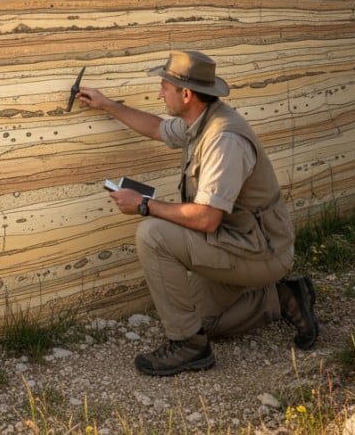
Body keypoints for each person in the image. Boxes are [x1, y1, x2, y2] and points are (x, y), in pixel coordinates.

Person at [76, 50, 318, 376]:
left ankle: (189, 347)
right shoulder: (199, 119)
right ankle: (284, 296)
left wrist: (144, 206)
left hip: (259, 252)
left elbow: (207, 219)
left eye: (164, 86)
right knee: (204, 321)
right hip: (235, 243)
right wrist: (107, 105)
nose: (159, 92)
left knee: (153, 235)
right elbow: (158, 128)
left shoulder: (224, 140)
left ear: (186, 94)